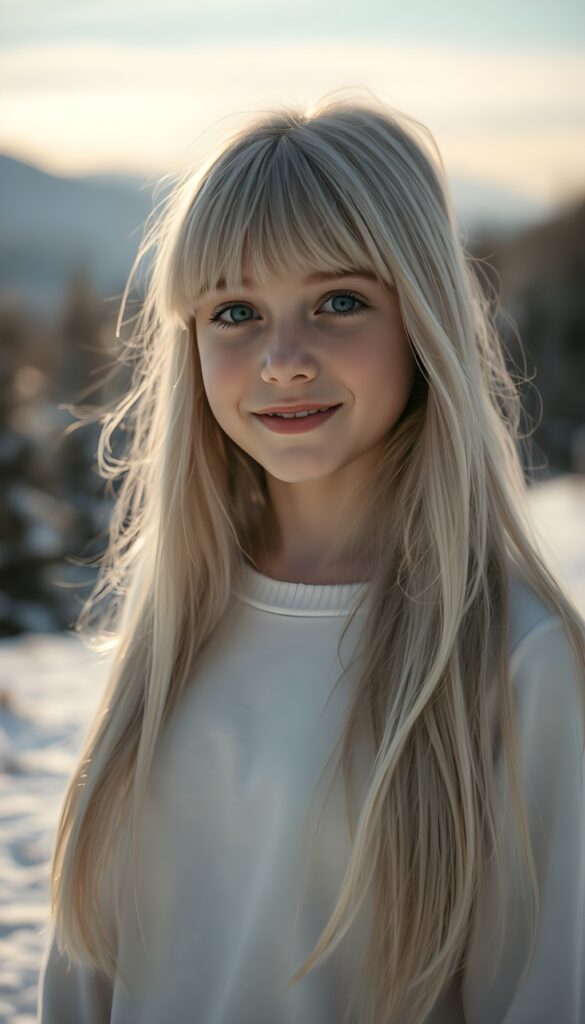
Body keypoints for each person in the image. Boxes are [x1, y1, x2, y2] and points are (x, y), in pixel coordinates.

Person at [36, 89, 585, 1024]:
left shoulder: (515, 659)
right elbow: (86, 969)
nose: (283, 358)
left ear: (423, 323)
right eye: (236, 311)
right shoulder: (181, 621)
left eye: (339, 301)